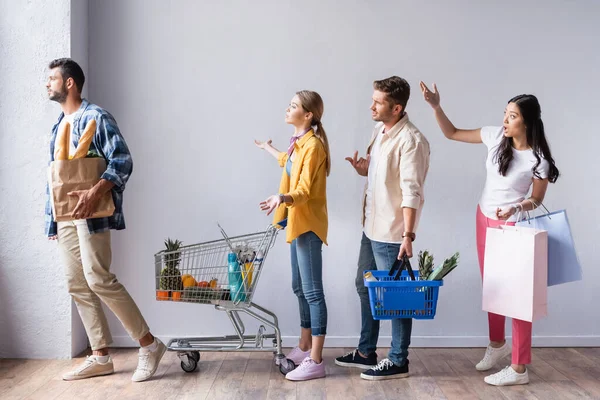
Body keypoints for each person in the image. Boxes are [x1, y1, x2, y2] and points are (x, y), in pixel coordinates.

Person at [420, 81, 560, 386]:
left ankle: (519, 368)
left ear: (527, 121)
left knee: (518, 297)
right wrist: (435, 106)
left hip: (512, 226)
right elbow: (452, 133)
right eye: (505, 113)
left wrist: (515, 209)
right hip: (483, 218)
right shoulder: (495, 136)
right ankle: (497, 345)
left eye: (512, 116)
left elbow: (537, 199)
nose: (505, 120)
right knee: (493, 287)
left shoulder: (538, 160)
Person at [45, 58, 166, 382]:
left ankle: (149, 344)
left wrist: (95, 191)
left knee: (98, 278)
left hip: (92, 211)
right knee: (76, 283)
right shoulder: (59, 125)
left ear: (70, 83)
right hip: (67, 215)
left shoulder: (95, 117)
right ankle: (100, 356)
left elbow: (122, 159)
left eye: (53, 78)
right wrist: (53, 219)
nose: (48, 84)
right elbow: (55, 177)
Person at [335, 76, 431, 381]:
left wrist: (408, 236)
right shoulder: (381, 130)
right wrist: (365, 168)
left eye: (378, 102)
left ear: (397, 107)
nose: (371, 106)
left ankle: (399, 359)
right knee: (364, 287)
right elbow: (381, 174)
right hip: (371, 225)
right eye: (373, 99)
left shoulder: (411, 141)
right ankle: (366, 352)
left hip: (392, 232)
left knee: (396, 297)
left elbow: (410, 191)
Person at [255, 90, 331, 381]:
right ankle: (303, 345)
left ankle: (316, 359)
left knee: (313, 292)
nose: (287, 109)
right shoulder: (299, 145)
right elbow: (286, 162)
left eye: (294, 106)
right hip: (296, 224)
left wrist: (281, 197)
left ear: (308, 114)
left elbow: (304, 191)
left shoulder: (313, 147)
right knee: (299, 287)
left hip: (308, 225)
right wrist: (267, 148)